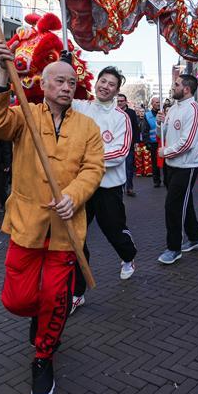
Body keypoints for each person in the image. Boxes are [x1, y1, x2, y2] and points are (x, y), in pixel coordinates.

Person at [0, 41, 104, 394]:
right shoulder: (25, 115)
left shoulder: (87, 126)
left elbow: (94, 167)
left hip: (66, 231)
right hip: (27, 225)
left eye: (71, 82)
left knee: (56, 298)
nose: (66, 87)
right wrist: (4, 73)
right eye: (59, 81)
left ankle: (43, 357)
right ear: (44, 84)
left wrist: (74, 196)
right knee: (18, 300)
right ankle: (40, 318)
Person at [71, 67, 137, 307]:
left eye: (111, 84)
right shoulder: (80, 107)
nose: (105, 86)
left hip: (108, 187)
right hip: (80, 187)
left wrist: (85, 158)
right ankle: (77, 293)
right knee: (75, 238)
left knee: (114, 232)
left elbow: (120, 153)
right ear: (96, 82)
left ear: (117, 91)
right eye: (103, 81)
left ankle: (128, 256)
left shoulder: (122, 118)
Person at [156, 74, 198, 264]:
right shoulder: (172, 109)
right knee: (186, 202)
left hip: (187, 166)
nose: (173, 87)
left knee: (173, 206)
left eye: (176, 85)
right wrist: (160, 123)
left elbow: (188, 143)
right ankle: (196, 237)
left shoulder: (194, 111)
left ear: (186, 89)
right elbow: (164, 134)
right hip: (172, 166)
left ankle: (174, 248)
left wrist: (166, 152)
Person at [116, 93, 140, 197]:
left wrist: (136, 142)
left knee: (129, 167)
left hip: (129, 145)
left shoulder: (131, 113)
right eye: (118, 101)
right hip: (117, 145)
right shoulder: (113, 112)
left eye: (122, 101)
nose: (120, 103)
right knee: (117, 168)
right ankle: (119, 188)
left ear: (126, 101)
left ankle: (129, 188)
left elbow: (135, 128)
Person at [144, 96, 162, 187]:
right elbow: (145, 130)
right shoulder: (147, 115)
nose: (158, 104)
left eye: (159, 102)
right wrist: (147, 142)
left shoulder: (164, 113)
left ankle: (167, 179)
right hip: (153, 142)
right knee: (155, 163)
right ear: (152, 104)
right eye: (156, 102)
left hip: (163, 141)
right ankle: (156, 180)